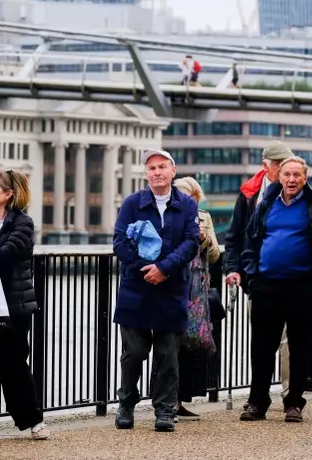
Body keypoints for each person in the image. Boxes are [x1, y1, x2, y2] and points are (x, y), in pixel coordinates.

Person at [112, 149, 200, 432]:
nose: (157, 172)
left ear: (173, 171)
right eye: (151, 168)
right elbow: (119, 243)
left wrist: (164, 268)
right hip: (135, 288)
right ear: (146, 173)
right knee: (134, 352)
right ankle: (126, 403)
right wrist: (146, 267)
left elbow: (191, 242)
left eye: (162, 167)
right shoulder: (132, 203)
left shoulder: (186, 204)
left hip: (171, 287)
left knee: (167, 354)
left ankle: (164, 409)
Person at [237, 156, 312, 423]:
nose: (291, 179)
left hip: (301, 286)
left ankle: (294, 403)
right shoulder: (265, 204)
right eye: (287, 174)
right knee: (262, 348)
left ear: (305, 178)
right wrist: (251, 276)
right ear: (279, 176)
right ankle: (258, 402)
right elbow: (250, 240)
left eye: (297, 175)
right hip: (266, 285)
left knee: (300, 348)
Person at [224, 141, 298, 396]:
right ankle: (259, 396)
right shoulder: (248, 195)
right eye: (277, 165)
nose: (282, 170)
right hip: (258, 279)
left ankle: (290, 394)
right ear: (265, 166)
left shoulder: (304, 196)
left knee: (290, 341)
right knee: (263, 341)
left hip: (292, 279)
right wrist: (234, 269)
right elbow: (233, 237)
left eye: (285, 164)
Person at [0, 170, 47, 445]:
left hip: (14, 307)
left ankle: (33, 421)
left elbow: (9, 253)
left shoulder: (22, 223)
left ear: (8, 194)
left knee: (14, 368)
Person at [172, 177, 222, 421]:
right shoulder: (168, 216)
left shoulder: (205, 218)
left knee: (191, 342)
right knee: (169, 342)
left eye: (191, 200)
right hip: (173, 284)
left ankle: (180, 399)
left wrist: (206, 239)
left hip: (196, 288)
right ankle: (167, 400)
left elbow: (214, 256)